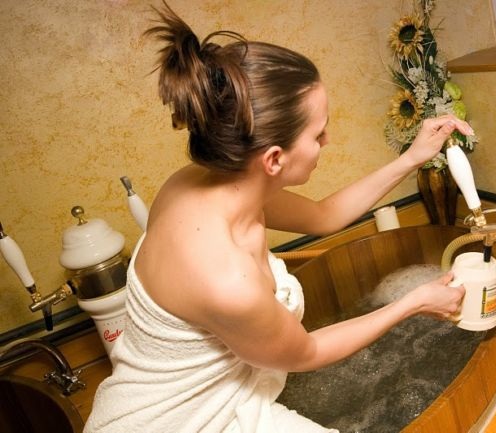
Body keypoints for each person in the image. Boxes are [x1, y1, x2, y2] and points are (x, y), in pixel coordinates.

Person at [85, 2, 471, 432]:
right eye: (318, 133)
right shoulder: (225, 278)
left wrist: (412, 158)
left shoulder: (205, 183)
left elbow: (324, 216)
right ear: (273, 159)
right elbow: (307, 353)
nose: (328, 140)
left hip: (206, 394)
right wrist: (413, 303)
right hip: (178, 422)